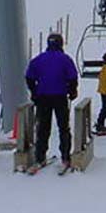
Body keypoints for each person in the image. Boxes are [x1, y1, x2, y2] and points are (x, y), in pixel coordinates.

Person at [25, 33, 79, 173]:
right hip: (60, 96)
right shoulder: (65, 59)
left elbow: (29, 76)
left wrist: (34, 92)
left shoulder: (39, 59)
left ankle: (40, 156)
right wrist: (72, 91)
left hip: (42, 97)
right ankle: (65, 157)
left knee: (43, 127)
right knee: (63, 128)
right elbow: (72, 77)